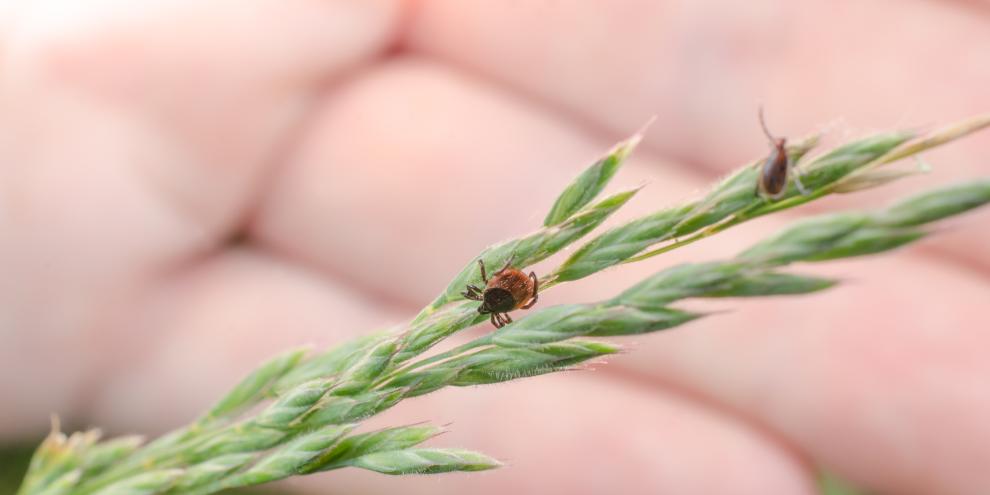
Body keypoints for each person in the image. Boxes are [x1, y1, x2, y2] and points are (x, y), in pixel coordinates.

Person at [2, 2, 989, 494]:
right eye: (496, 299)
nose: (495, 299)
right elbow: (514, 290)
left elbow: (510, 288)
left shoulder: (499, 292)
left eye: (495, 298)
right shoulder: (505, 295)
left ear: (493, 297)